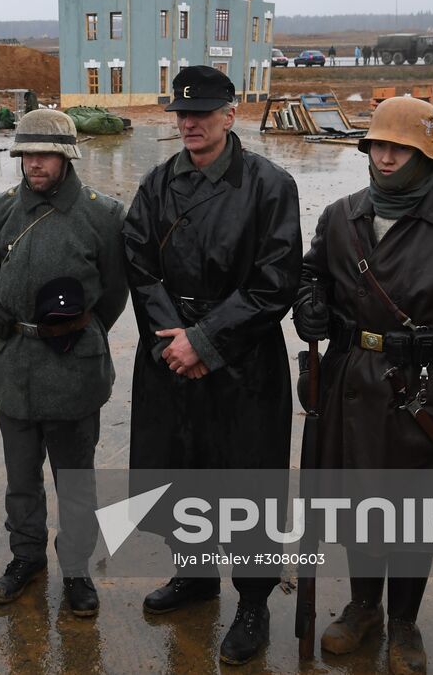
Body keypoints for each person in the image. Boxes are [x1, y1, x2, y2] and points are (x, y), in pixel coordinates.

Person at [293, 97, 433, 674]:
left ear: (427, 155)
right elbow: (312, 272)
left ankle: (405, 622)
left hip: (426, 389)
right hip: (351, 380)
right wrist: (310, 304)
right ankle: (364, 607)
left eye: (400, 148)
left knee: (413, 514)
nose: (385, 158)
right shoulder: (340, 216)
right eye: (377, 146)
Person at [123, 65, 301, 666]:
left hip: (243, 358)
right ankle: (194, 576)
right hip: (170, 347)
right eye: (182, 113)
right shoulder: (156, 184)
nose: (190, 123)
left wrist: (205, 340)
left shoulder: (270, 185)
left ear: (231, 114)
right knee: (183, 468)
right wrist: (176, 341)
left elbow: (275, 282)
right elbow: (139, 266)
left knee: (247, 480)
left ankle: (252, 602)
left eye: (202, 113)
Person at [0, 109, 128, 617]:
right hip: (14, 366)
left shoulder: (102, 214)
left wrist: (78, 336)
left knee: (75, 480)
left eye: (44, 154)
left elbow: (112, 293)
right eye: (26, 155)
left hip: (74, 368)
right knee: (21, 479)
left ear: (66, 156)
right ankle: (26, 558)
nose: (34, 164)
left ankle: (77, 569)